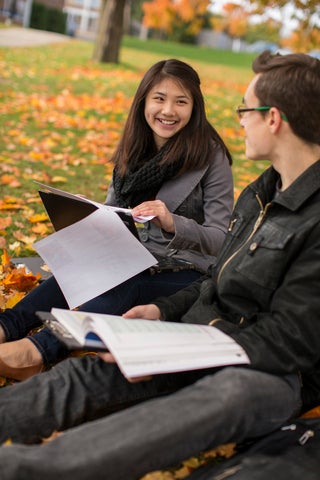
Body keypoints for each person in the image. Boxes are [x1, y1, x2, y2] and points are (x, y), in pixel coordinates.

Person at [0, 49, 318, 480]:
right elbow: (217, 280)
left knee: (214, 397)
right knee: (84, 372)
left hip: (264, 372)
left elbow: (294, 338)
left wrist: (183, 340)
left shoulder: (308, 215)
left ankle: (22, 469)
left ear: (274, 118)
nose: (240, 119)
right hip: (195, 330)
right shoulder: (260, 194)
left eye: (246, 108)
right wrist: (162, 316)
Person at [0, 59, 233, 381]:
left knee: (125, 283)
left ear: (194, 107)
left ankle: (37, 351)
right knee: (77, 272)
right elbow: (113, 209)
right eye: (159, 99)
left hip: (187, 272)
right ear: (144, 102)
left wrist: (172, 223)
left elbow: (222, 239)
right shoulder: (135, 146)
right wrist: (90, 215)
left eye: (181, 101)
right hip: (132, 257)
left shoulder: (211, 156)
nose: (168, 110)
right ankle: (7, 326)